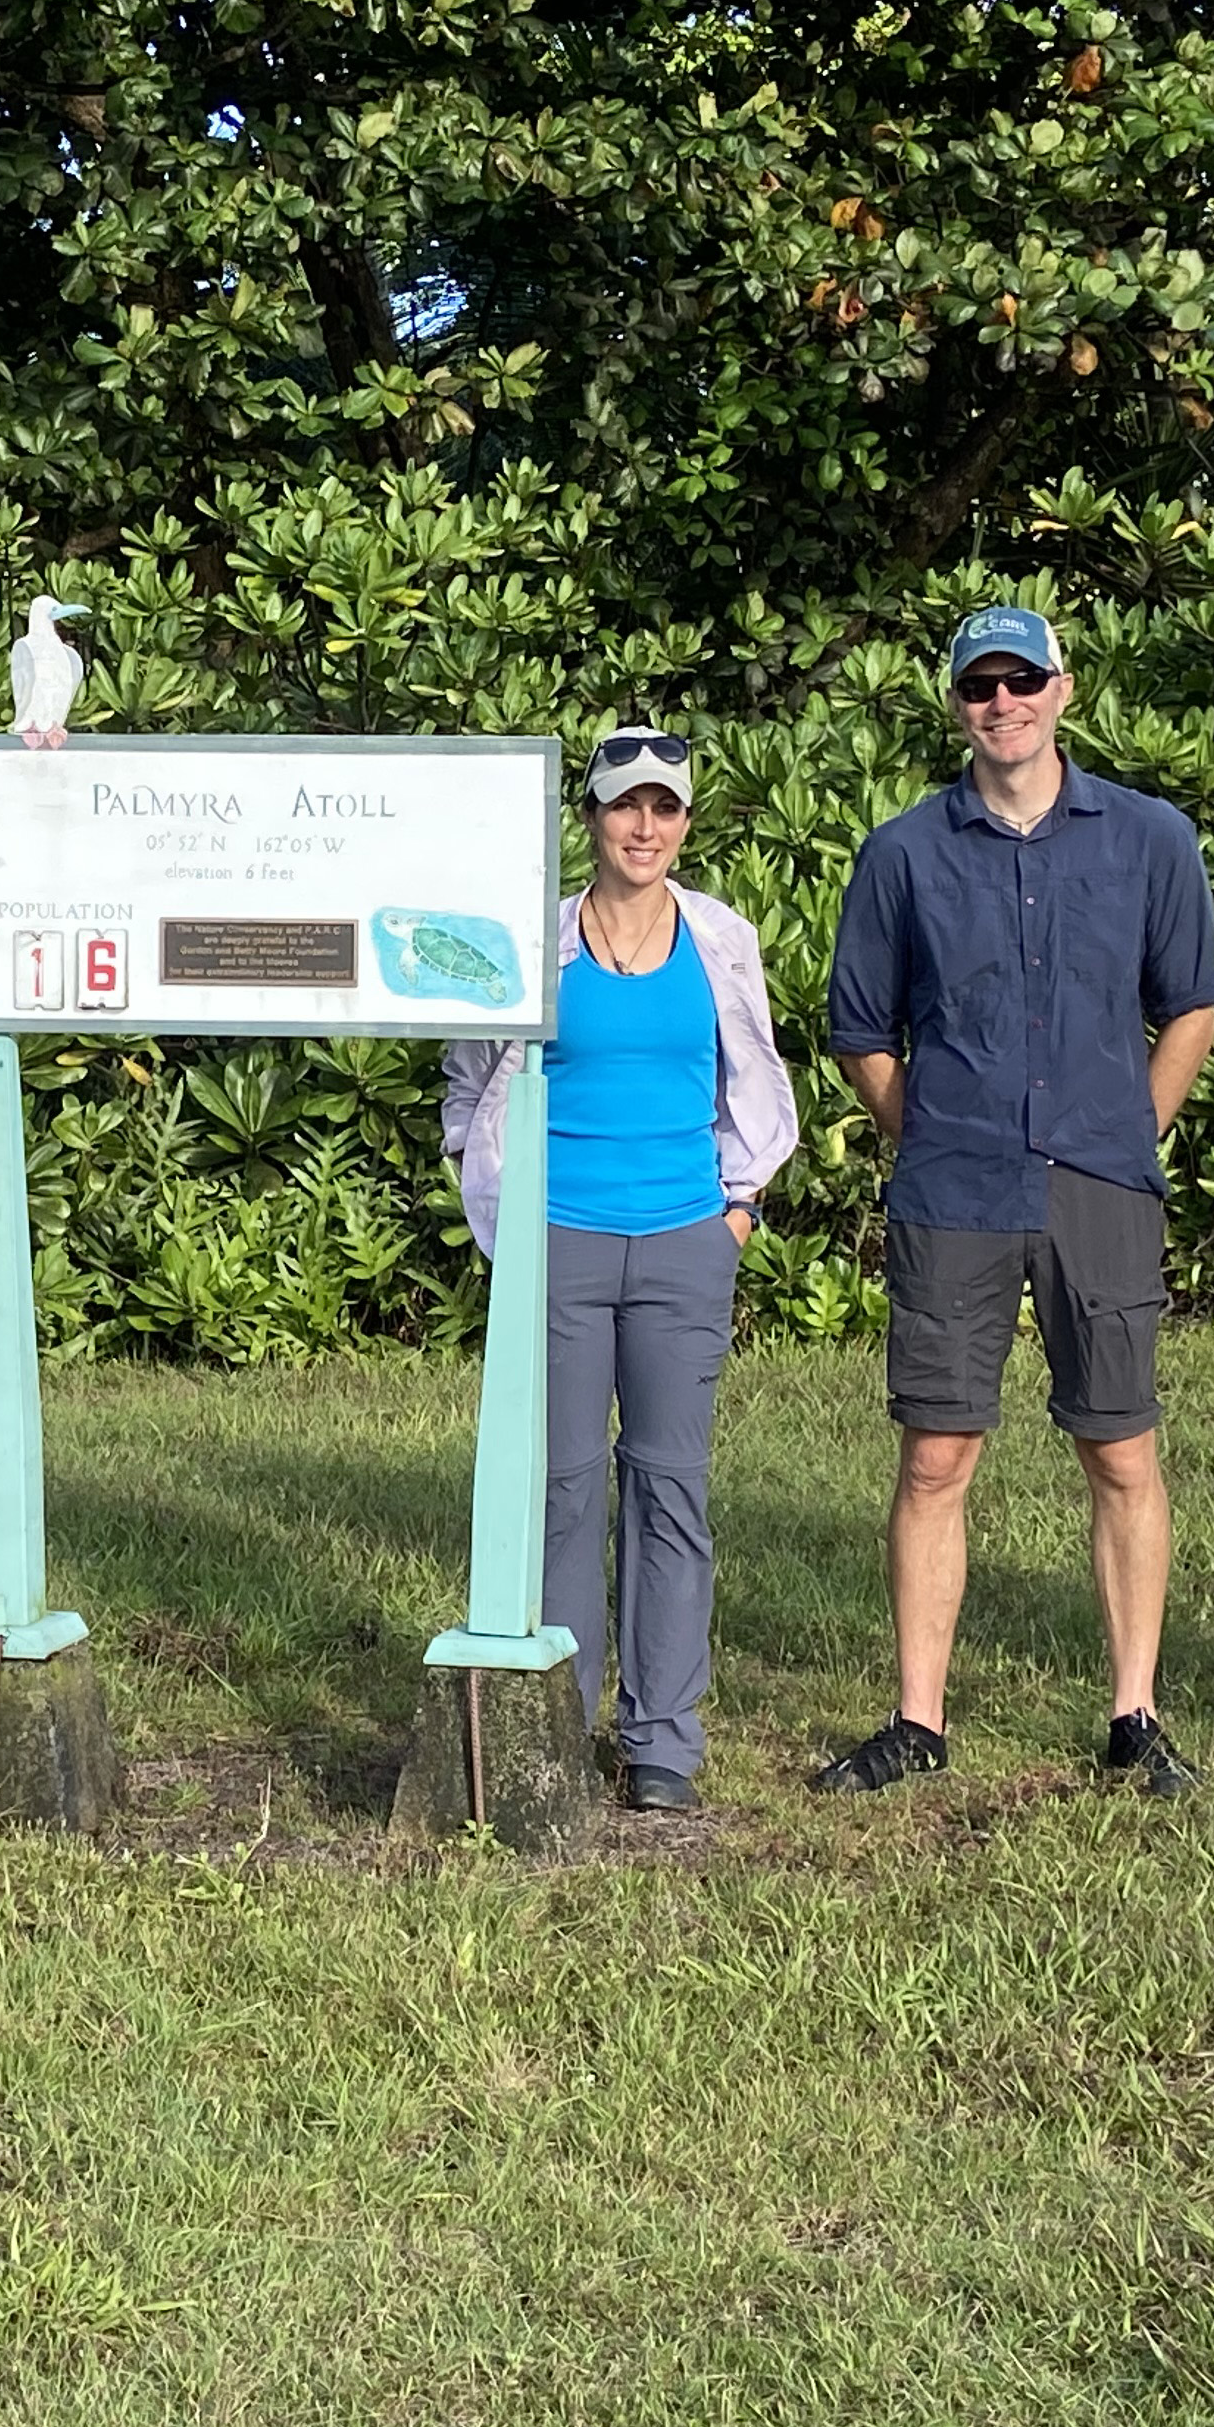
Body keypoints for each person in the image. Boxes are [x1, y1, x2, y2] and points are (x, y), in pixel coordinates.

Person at [816, 604, 1214, 1799]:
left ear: (1064, 689)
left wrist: (1128, 1128)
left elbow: (1190, 1002)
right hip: (957, 1186)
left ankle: (1135, 1715)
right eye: (980, 685)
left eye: (1022, 680)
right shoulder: (903, 854)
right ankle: (919, 1718)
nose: (1003, 703)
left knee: (1121, 1448)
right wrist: (932, 1128)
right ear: (955, 703)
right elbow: (861, 1030)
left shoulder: (1150, 838)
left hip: (1101, 1183)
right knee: (938, 1454)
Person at [441, 727, 799, 1812]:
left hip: (686, 1238)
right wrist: (489, 1189)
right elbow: (468, 1086)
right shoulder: (532, 943)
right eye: (625, 806)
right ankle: (557, 1713)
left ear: (687, 822)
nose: (646, 827)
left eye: (667, 808)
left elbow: (758, 1083)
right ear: (589, 817)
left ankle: (661, 1744)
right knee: (557, 1490)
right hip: (560, 1241)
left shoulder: (722, 940)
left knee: (669, 1487)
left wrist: (735, 1215)